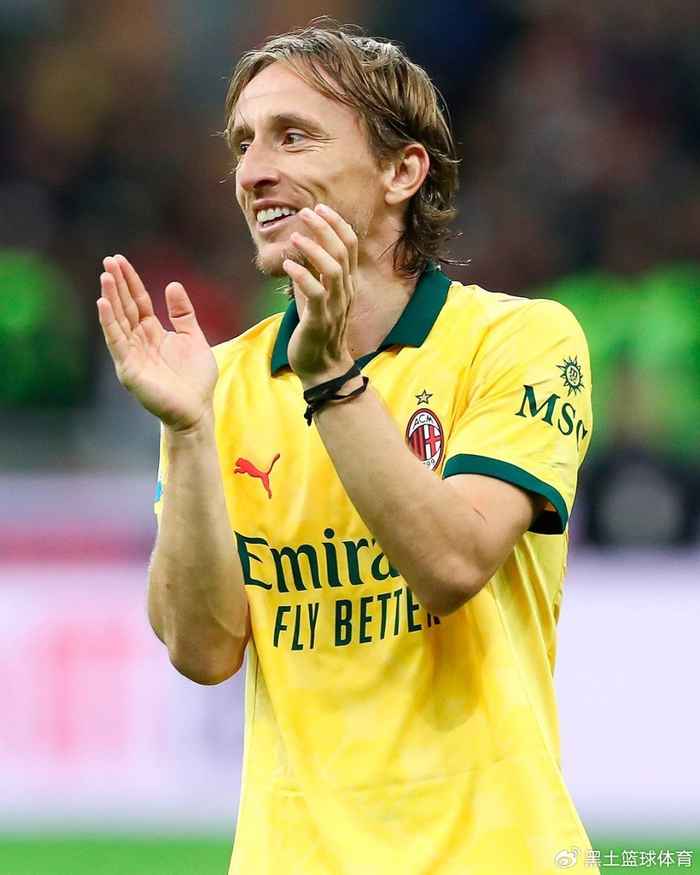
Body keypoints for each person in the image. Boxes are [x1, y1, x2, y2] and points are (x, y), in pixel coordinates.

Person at [97, 24, 597, 875]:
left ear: (402, 172)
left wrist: (329, 376)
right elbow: (202, 651)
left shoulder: (520, 342)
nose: (254, 171)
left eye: (293, 136)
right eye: (244, 144)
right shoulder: (219, 383)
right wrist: (186, 430)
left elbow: (452, 562)